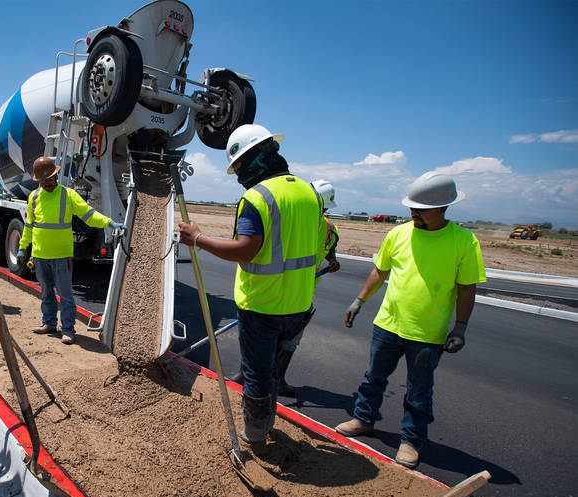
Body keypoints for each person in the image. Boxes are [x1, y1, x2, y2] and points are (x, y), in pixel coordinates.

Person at [178, 124, 323, 455]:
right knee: (273, 370)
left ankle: (255, 437)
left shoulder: (258, 198)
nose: (239, 175)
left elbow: (245, 249)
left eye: (239, 166)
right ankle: (267, 423)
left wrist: (197, 239)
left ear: (254, 158)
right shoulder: (310, 193)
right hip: (299, 303)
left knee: (257, 375)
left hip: (262, 305)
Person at [336, 172, 485, 468]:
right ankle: (363, 419)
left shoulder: (464, 242)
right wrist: (359, 301)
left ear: (443, 208)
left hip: (428, 333)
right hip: (388, 325)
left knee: (418, 390)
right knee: (373, 377)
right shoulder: (398, 234)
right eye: (412, 208)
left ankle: (411, 441)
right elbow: (380, 271)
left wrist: (461, 327)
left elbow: (467, 288)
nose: (413, 213)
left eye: (421, 210)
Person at [18, 156, 123, 344]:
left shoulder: (68, 195)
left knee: (66, 295)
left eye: (50, 179)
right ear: (39, 181)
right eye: (43, 181)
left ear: (56, 176)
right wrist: (22, 248)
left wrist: (109, 222)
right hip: (40, 255)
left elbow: (89, 215)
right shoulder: (34, 197)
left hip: (61, 256)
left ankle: (68, 329)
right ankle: (49, 323)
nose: (47, 183)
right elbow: (29, 226)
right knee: (46, 292)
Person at [262, 179, 342, 399]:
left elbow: (330, 247)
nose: (323, 212)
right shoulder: (294, 220)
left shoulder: (329, 229)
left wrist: (332, 260)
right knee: (264, 337)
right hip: (278, 290)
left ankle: (277, 381)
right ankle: (249, 377)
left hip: (303, 294)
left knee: (289, 342)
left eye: (324, 209)